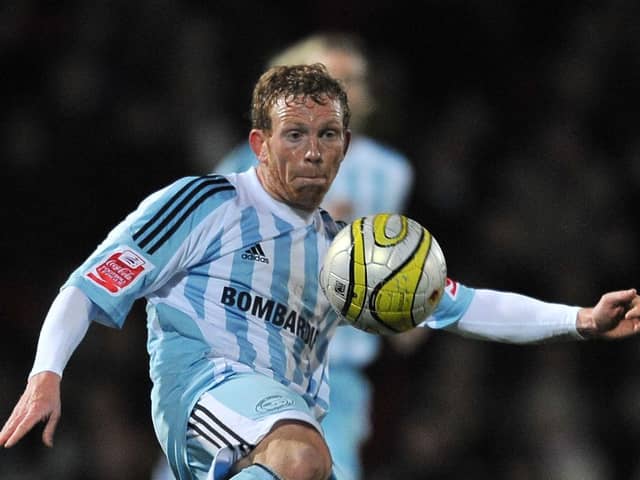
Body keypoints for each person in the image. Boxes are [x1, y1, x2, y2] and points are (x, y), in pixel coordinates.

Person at [1, 63, 639, 480]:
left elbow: (462, 305)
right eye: (295, 133)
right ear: (259, 143)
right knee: (303, 456)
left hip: (281, 430)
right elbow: (90, 283)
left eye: (329, 134)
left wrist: (579, 320)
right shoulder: (205, 203)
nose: (313, 150)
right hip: (204, 393)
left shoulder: (354, 255)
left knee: (306, 462)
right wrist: (46, 373)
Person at [212, 32, 417, 480]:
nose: (346, 91)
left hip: (332, 378)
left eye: (355, 80)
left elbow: (383, 272)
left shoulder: (389, 174)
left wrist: (406, 307)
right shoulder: (241, 167)